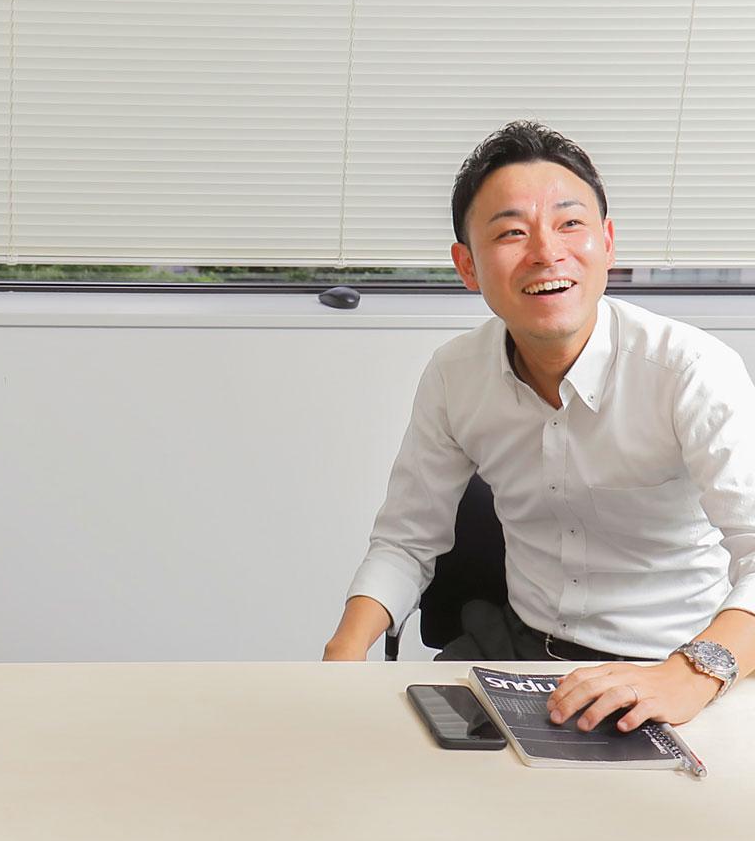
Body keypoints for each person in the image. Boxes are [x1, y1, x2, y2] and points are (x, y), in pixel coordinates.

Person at [321, 121, 754, 733]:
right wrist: (342, 653)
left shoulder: (690, 369)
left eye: (570, 223)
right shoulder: (455, 374)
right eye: (511, 232)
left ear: (608, 242)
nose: (547, 252)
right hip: (516, 652)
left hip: (673, 663)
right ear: (467, 266)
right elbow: (406, 540)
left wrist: (690, 673)